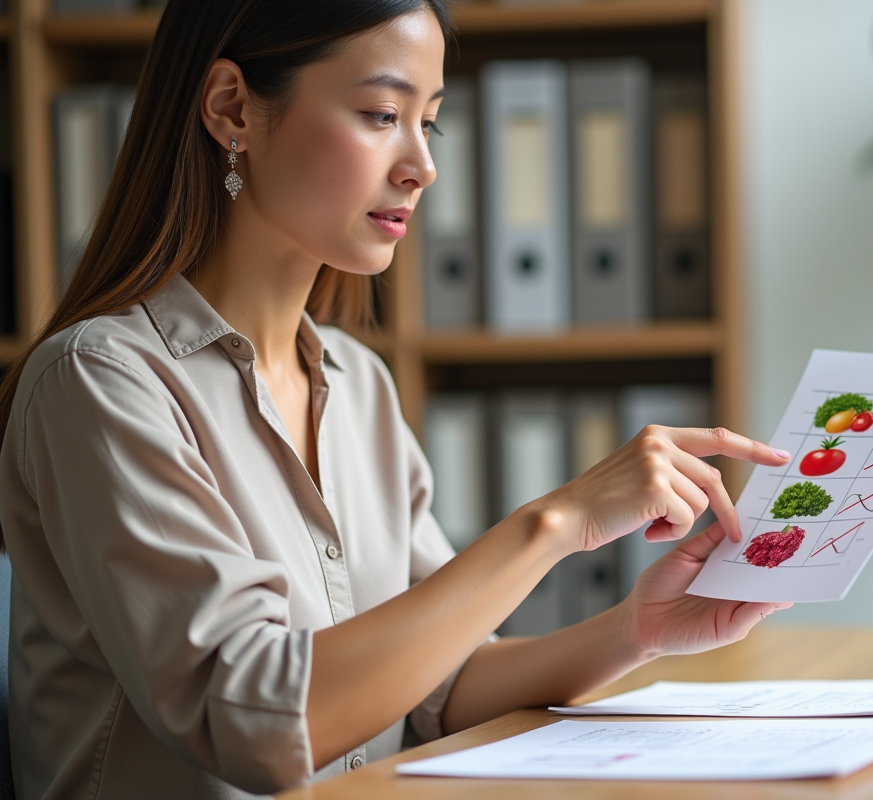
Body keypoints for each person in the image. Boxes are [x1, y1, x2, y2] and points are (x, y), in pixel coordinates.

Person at [0, 1, 792, 797]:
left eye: (430, 122)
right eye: (382, 114)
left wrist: (637, 631)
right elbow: (258, 724)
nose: (422, 165)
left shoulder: (356, 382)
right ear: (231, 107)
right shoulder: (100, 382)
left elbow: (437, 691)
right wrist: (557, 523)